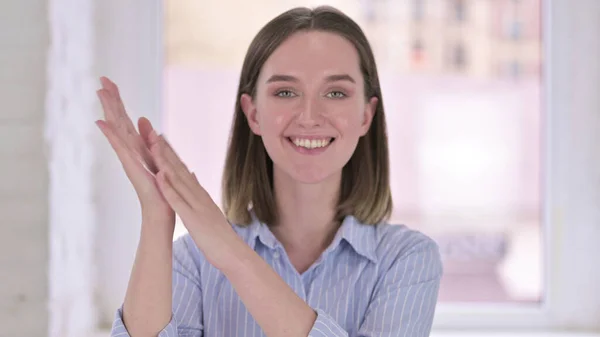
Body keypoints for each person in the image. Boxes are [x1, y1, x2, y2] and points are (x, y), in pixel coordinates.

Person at [98, 5, 443, 337]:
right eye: (286, 91)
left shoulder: (406, 260)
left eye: (336, 92)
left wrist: (233, 255)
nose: (309, 116)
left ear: (366, 115)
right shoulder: (193, 262)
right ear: (253, 113)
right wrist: (157, 217)